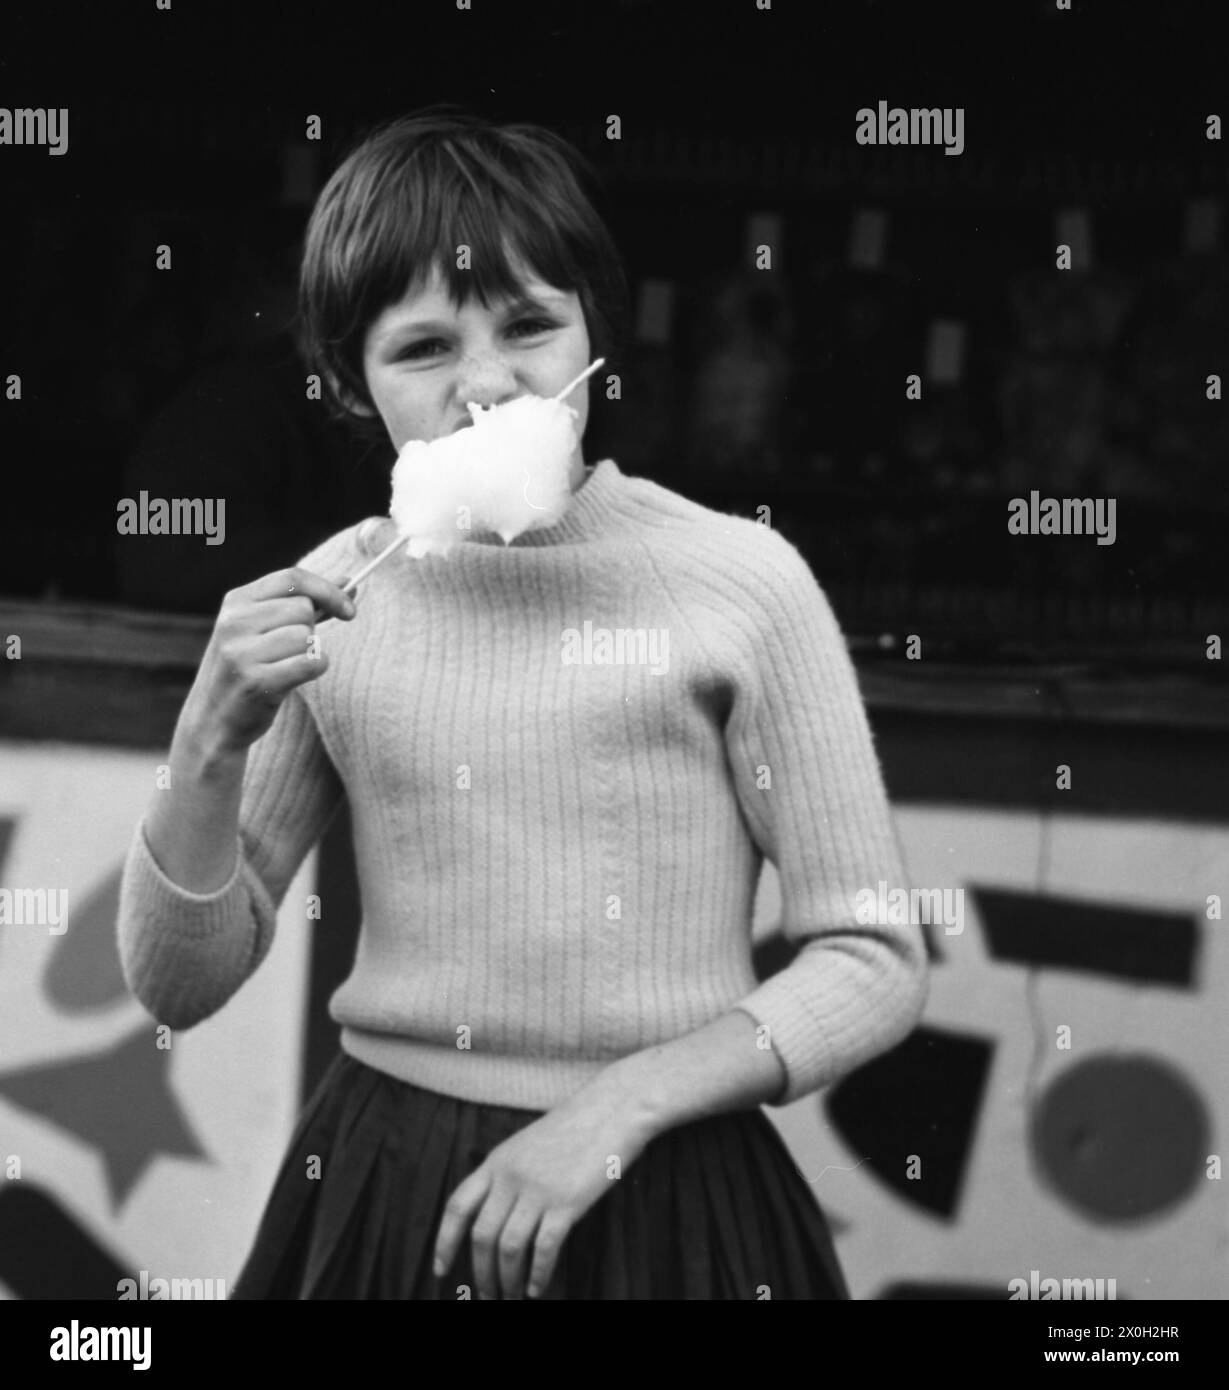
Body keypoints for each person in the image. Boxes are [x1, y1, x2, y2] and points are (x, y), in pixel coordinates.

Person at [116, 106, 928, 1301]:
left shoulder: (741, 584)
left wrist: (615, 1109)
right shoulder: (337, 596)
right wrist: (206, 736)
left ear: (596, 340)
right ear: (350, 385)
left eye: (530, 327)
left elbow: (870, 956)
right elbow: (179, 982)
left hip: (666, 1187)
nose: (486, 384)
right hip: (385, 1183)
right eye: (423, 348)